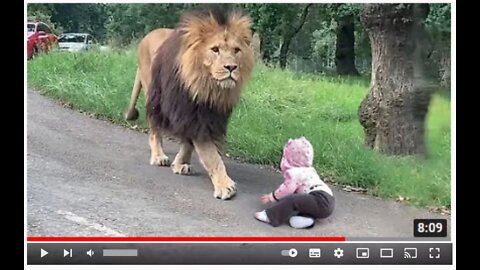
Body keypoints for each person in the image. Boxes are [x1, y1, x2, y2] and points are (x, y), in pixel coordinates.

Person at [254, 137, 335, 229]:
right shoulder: (309, 170)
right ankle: (306, 219)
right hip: (328, 202)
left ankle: (271, 216)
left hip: (320, 199)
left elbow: (287, 189)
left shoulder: (294, 173)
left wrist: (272, 197)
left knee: (292, 200)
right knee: (301, 201)